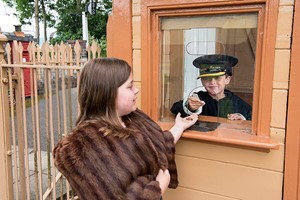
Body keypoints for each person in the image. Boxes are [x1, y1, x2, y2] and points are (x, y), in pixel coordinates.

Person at [53, 58, 198, 200]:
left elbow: (157, 144)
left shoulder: (132, 118)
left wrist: (179, 126)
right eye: (129, 86)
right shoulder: (85, 148)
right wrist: (160, 185)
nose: (136, 90)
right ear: (107, 93)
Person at [171, 54, 252, 120]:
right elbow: (175, 109)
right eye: (207, 78)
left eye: (217, 78)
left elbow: (251, 119)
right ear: (202, 81)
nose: (212, 82)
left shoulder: (239, 104)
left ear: (227, 79)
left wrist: (242, 120)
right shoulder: (198, 98)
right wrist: (189, 107)